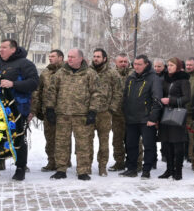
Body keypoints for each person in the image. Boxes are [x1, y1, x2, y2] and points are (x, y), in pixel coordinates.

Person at [0, 39, 39, 180]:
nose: (1, 49)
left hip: (17, 108)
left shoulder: (25, 64)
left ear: (13, 49)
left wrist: (13, 84)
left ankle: (20, 167)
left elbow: (34, 83)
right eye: (0, 47)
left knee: (18, 138)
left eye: (4, 47)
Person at [45, 49, 104, 181]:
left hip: (82, 115)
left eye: (72, 57)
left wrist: (93, 111)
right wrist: (50, 108)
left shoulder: (90, 73)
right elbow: (52, 91)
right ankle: (61, 169)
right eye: (68, 56)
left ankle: (83, 170)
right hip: (63, 114)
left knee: (83, 144)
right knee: (61, 143)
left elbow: (96, 93)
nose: (69, 59)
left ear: (80, 58)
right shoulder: (61, 73)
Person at [120, 54, 163, 178]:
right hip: (131, 118)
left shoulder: (153, 78)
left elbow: (157, 99)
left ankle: (146, 170)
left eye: (139, 64)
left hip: (146, 119)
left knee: (149, 145)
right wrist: (125, 112)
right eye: (135, 64)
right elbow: (125, 97)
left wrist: (153, 118)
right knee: (131, 145)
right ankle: (132, 169)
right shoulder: (131, 78)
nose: (136, 67)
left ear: (146, 64)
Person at [159, 57, 191, 180]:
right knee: (167, 144)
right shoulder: (165, 79)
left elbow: (187, 98)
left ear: (178, 67)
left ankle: (178, 171)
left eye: (172, 65)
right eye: (168, 65)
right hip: (165, 114)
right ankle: (169, 170)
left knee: (177, 144)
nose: (169, 67)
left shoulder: (183, 80)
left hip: (178, 114)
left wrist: (171, 100)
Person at [32, 49, 64, 172]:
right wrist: (36, 109)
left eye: (53, 56)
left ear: (60, 58)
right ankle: (52, 162)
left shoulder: (67, 71)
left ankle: (64, 161)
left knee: (63, 139)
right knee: (50, 138)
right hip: (48, 111)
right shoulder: (45, 73)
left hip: (64, 111)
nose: (50, 58)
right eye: (49, 56)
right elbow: (38, 91)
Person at [91, 48, 121, 177]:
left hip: (104, 113)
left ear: (104, 58)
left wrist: (111, 109)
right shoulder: (88, 72)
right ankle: (85, 165)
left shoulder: (112, 73)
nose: (96, 59)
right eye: (94, 56)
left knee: (104, 142)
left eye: (98, 56)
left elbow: (118, 92)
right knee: (86, 141)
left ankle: (102, 166)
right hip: (89, 112)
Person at [109, 52, 132, 171]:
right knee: (117, 139)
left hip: (132, 113)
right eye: (121, 61)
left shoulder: (133, 73)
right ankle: (119, 162)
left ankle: (135, 161)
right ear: (116, 62)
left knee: (133, 139)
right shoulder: (111, 74)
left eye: (125, 61)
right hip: (116, 112)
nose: (123, 64)